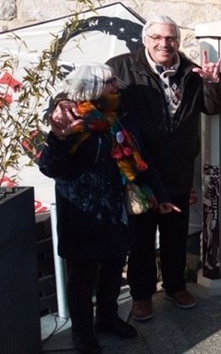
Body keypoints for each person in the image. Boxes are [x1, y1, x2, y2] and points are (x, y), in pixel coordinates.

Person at [50, 15, 221, 322]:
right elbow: (85, 88)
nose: (164, 43)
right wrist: (64, 103)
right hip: (136, 168)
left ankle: (175, 286)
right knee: (141, 238)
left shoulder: (190, 71)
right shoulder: (121, 66)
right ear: (146, 39)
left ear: (178, 41)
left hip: (178, 168)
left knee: (175, 233)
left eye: (171, 38)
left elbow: (213, 107)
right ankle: (142, 295)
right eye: (157, 37)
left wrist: (212, 83)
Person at [38, 64, 170, 353]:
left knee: (112, 270)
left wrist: (159, 195)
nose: (118, 86)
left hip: (116, 214)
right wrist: (58, 138)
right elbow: (50, 167)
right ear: (93, 86)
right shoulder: (71, 118)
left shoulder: (120, 118)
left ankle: (107, 319)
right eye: (111, 82)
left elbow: (140, 160)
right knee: (82, 280)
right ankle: (83, 333)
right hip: (83, 216)